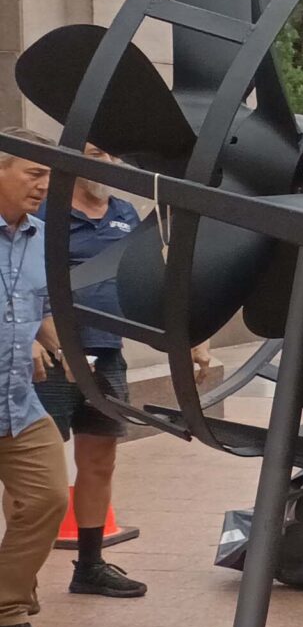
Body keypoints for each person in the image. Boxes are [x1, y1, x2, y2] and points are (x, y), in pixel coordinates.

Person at [35, 144, 213, 599]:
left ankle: (90, 566)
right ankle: (21, 577)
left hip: (106, 354)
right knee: (38, 471)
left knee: (100, 458)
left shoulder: (124, 213)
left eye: (110, 155)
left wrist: (187, 336)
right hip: (51, 358)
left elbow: (150, 278)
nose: (105, 163)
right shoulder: (45, 213)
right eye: (93, 153)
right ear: (70, 158)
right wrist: (42, 337)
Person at [0, 130, 69, 627]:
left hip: (20, 404)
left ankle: (5, 610)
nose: (43, 185)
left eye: (47, 175)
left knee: (48, 497)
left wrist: (60, 347)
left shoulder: (43, 238)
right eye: (34, 173)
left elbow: (41, 308)